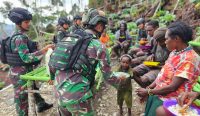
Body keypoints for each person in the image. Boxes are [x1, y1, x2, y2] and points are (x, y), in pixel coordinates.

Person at [49, 8, 126, 116]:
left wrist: (53, 79)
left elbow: (53, 62)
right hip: (77, 97)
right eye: (103, 27)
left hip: (59, 94)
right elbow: (108, 76)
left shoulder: (67, 39)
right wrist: (122, 84)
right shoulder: (98, 46)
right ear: (99, 26)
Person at [136, 21, 200, 116]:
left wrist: (148, 91)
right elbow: (162, 74)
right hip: (158, 93)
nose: (165, 42)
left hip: (171, 101)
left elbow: (172, 87)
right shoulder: (175, 52)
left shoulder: (189, 59)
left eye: (166, 39)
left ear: (176, 39)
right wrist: (150, 87)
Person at [7, 8, 54, 115]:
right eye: (26, 22)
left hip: (24, 70)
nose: (28, 24)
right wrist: (44, 50)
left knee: (32, 87)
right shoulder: (19, 38)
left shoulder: (21, 35)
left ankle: (41, 104)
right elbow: (26, 58)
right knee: (22, 99)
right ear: (18, 23)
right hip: (19, 74)